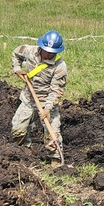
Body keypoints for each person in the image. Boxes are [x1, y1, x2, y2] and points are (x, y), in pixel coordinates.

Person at [11, 31, 68, 160]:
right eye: (46, 50)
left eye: (52, 52)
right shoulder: (29, 51)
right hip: (29, 98)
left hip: (47, 102)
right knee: (18, 130)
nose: (48, 54)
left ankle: (55, 159)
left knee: (52, 134)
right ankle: (26, 151)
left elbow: (56, 91)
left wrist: (48, 109)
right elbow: (16, 53)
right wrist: (17, 68)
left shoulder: (60, 67)